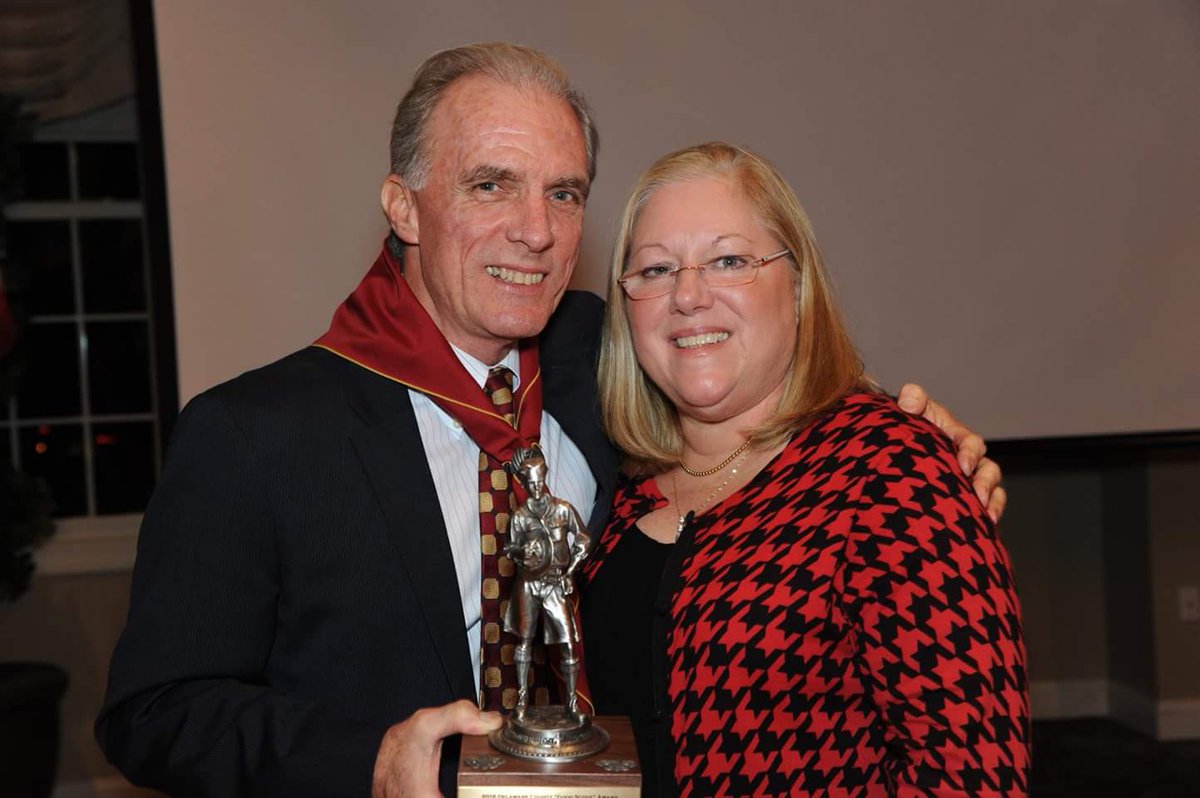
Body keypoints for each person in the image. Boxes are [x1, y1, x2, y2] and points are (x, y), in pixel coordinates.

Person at [96, 44, 1004, 797]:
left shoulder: (609, 365)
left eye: (564, 193)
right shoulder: (255, 435)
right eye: (492, 184)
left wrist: (912, 431)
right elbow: (154, 712)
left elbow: (759, 364)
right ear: (403, 206)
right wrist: (367, 762)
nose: (536, 230)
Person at [581, 142, 1029, 796]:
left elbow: (972, 777)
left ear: (797, 287)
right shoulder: (615, 497)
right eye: (655, 270)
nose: (687, 295)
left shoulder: (889, 473)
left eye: (728, 260)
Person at [503, 445, 590, 720]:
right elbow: (509, 548)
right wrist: (522, 553)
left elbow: (583, 539)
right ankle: (522, 702)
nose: (537, 488)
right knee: (524, 641)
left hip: (556, 584)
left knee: (567, 642)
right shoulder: (519, 517)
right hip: (528, 584)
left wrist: (571, 571)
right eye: (531, 484)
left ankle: (572, 703)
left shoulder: (562, 510)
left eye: (540, 482)